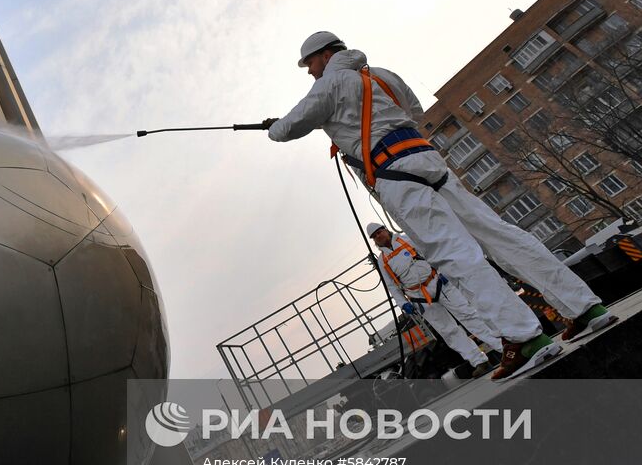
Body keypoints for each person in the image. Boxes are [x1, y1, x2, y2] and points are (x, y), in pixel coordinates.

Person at [264, 31, 616, 380]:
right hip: (428, 160)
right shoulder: (382, 75)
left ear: (325, 56)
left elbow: (285, 130)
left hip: (394, 175)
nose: (309, 72)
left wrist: (273, 124)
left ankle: (525, 339)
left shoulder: (329, 84)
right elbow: (414, 111)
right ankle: (585, 308)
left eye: (309, 63)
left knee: (456, 256)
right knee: (501, 236)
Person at [367, 222, 502, 379]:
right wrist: (403, 303)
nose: (379, 236)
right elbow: (391, 286)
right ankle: (479, 361)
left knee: (469, 316)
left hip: (438, 283)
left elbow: (432, 254)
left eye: (379, 231)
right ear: (374, 240)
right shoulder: (383, 262)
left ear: (385, 230)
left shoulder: (408, 240)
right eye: (375, 236)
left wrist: (444, 271)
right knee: (449, 331)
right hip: (420, 298)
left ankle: (502, 347)